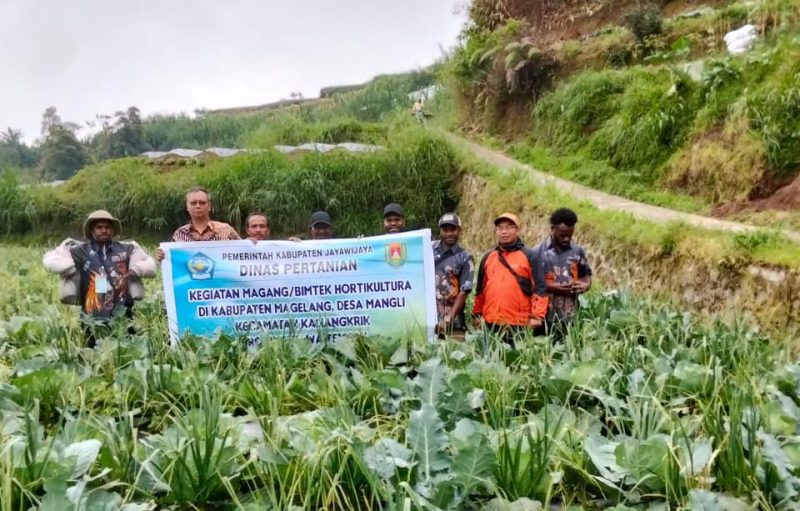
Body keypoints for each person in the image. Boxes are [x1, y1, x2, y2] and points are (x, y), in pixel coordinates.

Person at [43, 210, 156, 347]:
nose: (104, 230)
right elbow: (51, 259)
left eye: (107, 227)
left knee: (127, 350)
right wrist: (67, 266)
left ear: (112, 230)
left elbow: (150, 265)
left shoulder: (127, 249)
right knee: (92, 352)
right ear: (92, 230)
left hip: (123, 314)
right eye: (99, 227)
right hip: (92, 316)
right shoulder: (79, 251)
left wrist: (137, 269)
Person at [472, 213, 548, 348]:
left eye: (509, 227)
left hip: (518, 323)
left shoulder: (530, 255)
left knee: (516, 359)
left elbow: (540, 288)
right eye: (500, 228)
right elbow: (480, 289)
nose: (504, 232)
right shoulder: (488, 257)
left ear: (517, 229)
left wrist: (537, 316)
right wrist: (476, 314)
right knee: (489, 359)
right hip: (491, 321)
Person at [537, 208, 592, 339]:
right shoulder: (538, 252)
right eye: (562, 235)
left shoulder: (577, 251)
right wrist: (552, 287)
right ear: (553, 229)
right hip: (544, 316)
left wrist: (585, 284)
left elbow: (586, 274)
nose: (566, 239)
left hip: (569, 316)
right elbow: (531, 281)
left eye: (570, 235)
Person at [156, 186, 240, 261]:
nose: (198, 206)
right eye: (193, 203)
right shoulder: (179, 234)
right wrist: (163, 256)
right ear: (187, 206)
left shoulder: (226, 230)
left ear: (209, 206)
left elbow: (243, 252)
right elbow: (173, 260)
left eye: (202, 203)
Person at [432, 213, 474, 340]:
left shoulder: (465, 257)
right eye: (445, 230)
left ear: (459, 230)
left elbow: (464, 291)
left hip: (454, 322)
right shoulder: (428, 249)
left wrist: (448, 318)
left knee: (455, 351)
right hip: (428, 320)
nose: (449, 234)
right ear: (440, 231)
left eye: (453, 229)